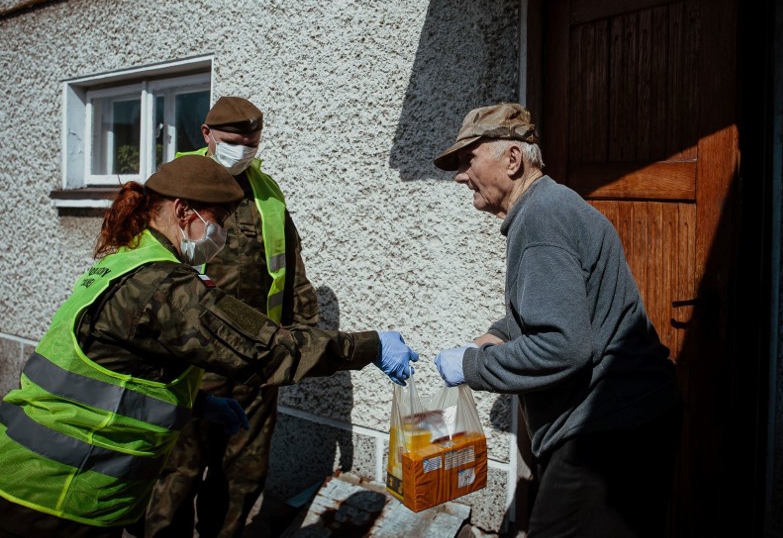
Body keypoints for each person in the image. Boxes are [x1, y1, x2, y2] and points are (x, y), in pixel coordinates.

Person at [0, 156, 417, 538]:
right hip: (62, 496)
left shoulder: (125, 261)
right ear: (184, 212)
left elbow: (113, 370)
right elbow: (270, 352)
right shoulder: (163, 287)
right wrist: (371, 346)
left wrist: (195, 403)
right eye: (218, 221)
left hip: (34, 477)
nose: (222, 235)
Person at [433, 103, 680, 537]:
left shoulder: (542, 219)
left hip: (605, 437)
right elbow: (564, 303)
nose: (459, 175)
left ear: (512, 160)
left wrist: (471, 366)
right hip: (631, 424)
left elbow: (562, 347)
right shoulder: (551, 206)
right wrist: (501, 331)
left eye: (467, 159)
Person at [142, 96, 327, 538]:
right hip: (191, 361)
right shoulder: (174, 185)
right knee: (179, 472)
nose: (242, 150)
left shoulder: (267, 194)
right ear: (206, 135)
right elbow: (144, 272)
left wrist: (300, 342)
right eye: (232, 141)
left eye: (252, 142)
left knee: (243, 474)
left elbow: (292, 270)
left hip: (255, 361)